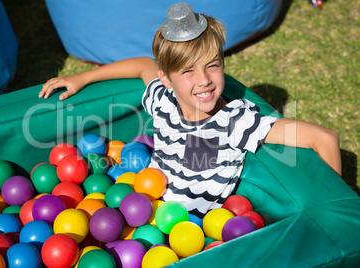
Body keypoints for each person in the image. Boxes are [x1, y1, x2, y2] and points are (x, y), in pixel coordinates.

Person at [39, 2, 341, 218]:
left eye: (213, 66)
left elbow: (324, 138)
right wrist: (82, 77)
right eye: (188, 72)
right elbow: (144, 64)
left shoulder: (236, 122)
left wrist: (336, 211)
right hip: (143, 198)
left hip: (190, 227)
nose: (204, 80)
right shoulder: (163, 100)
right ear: (167, 79)